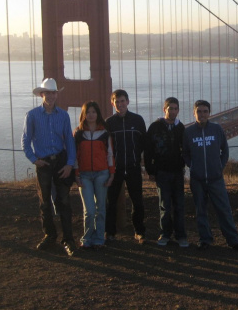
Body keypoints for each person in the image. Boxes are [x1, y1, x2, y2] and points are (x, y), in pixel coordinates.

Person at [182, 99, 238, 252]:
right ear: (194, 113)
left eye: (205, 111)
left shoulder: (217, 129)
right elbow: (185, 153)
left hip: (215, 178)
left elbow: (225, 150)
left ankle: (233, 241)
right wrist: (193, 166)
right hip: (197, 179)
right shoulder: (188, 132)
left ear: (209, 113)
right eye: (199, 111)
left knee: (224, 209)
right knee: (201, 210)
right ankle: (205, 240)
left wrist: (220, 166)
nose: (202, 114)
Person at [21, 78, 77, 257]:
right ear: (42, 94)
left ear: (56, 94)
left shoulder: (64, 115)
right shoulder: (32, 116)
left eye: (54, 92)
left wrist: (70, 164)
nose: (51, 96)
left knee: (64, 201)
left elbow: (69, 140)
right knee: (44, 202)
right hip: (43, 163)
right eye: (48, 92)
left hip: (60, 161)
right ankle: (50, 235)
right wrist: (34, 159)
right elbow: (25, 140)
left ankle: (68, 240)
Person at [105, 89, 147, 243]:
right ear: (113, 103)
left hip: (133, 167)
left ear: (128, 102)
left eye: (122, 101)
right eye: (117, 102)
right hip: (115, 169)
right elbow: (105, 147)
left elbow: (143, 144)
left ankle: (139, 231)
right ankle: (110, 232)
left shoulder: (138, 120)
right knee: (111, 201)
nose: (120, 104)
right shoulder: (109, 123)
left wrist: (137, 159)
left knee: (137, 201)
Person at [145, 97, 189, 247]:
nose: (173, 111)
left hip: (177, 171)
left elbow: (186, 149)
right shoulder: (154, 127)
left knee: (179, 204)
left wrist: (185, 164)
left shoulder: (181, 128)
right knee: (165, 205)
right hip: (162, 171)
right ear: (164, 110)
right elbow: (148, 149)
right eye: (170, 108)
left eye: (176, 108)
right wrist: (150, 170)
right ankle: (164, 234)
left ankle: (181, 236)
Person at [74, 101, 115, 250]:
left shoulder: (104, 133)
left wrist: (111, 174)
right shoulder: (78, 133)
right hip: (84, 175)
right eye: (88, 112)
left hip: (102, 174)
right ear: (84, 115)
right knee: (89, 210)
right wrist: (76, 174)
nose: (91, 115)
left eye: (93, 112)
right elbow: (75, 157)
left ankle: (99, 238)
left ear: (98, 114)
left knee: (101, 208)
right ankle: (87, 237)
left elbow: (110, 154)